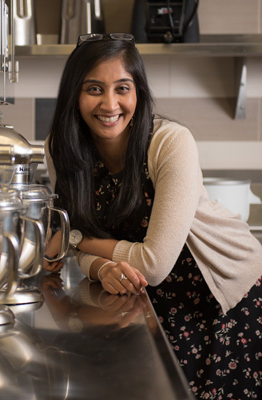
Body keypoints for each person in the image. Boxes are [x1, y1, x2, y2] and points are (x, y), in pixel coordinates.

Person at [43, 32, 262, 399]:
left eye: (122, 88)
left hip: (228, 302)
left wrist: (73, 239)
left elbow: (154, 263)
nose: (109, 104)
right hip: (155, 305)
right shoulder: (61, 149)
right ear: (74, 95)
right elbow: (81, 248)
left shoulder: (170, 142)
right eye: (94, 89)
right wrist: (100, 267)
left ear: (139, 92)